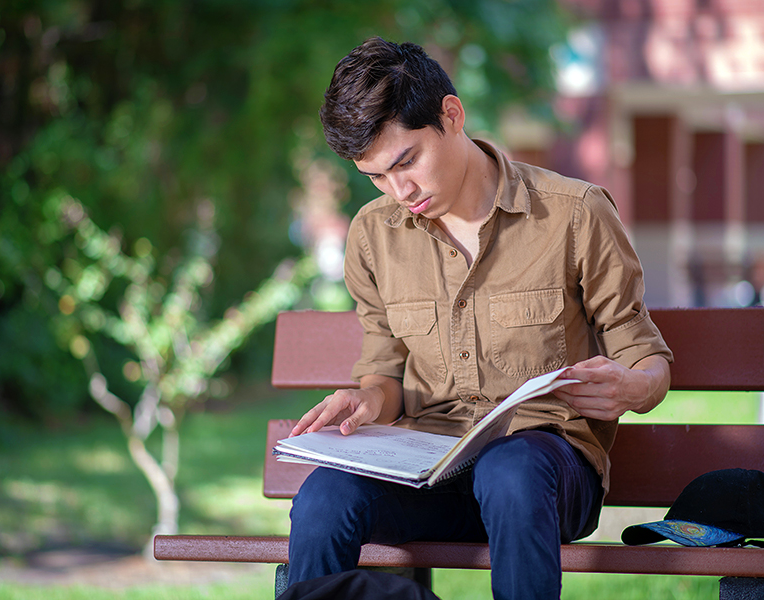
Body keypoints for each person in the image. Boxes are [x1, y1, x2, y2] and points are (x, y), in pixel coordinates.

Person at [287, 37, 673, 600]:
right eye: (376, 177)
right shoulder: (373, 235)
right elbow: (385, 372)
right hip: (426, 471)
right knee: (324, 496)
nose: (401, 192)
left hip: (543, 473)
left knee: (509, 472)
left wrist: (630, 388)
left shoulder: (573, 213)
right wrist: (368, 401)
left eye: (407, 162)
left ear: (451, 114)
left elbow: (646, 357)